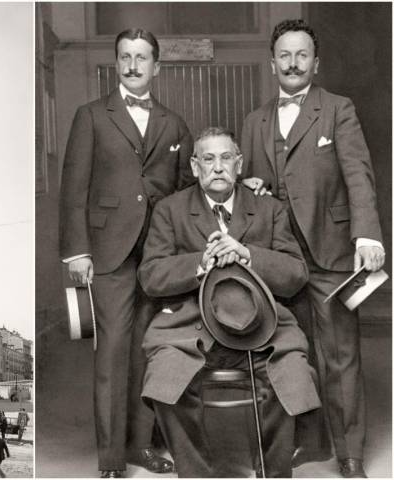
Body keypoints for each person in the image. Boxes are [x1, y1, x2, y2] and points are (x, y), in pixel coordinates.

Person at [240, 20, 385, 478]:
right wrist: (252, 187)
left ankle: (351, 454)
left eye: (302, 55)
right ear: (272, 64)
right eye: (284, 55)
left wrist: (368, 235)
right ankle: (309, 443)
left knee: (340, 357)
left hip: (331, 252)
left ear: (315, 63)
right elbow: (248, 190)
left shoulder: (338, 109)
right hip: (279, 257)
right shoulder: (254, 120)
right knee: (289, 353)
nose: (293, 63)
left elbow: (359, 173)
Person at [137, 127, 321, 477]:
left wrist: (247, 254)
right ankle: (197, 472)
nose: (218, 167)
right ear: (194, 166)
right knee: (165, 379)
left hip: (263, 326)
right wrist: (200, 263)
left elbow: (296, 273)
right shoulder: (170, 210)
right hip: (190, 326)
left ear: (239, 164)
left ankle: (272, 471)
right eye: (208, 158)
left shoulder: (269, 209)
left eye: (226, 158)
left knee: (293, 375)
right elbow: (150, 276)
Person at [59, 27, 196, 478]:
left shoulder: (174, 124)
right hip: (108, 255)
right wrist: (77, 252)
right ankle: (112, 459)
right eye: (125, 57)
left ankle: (141, 447)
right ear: (116, 63)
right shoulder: (92, 115)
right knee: (113, 353)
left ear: (156, 65)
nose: (133, 65)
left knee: (150, 352)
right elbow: (73, 190)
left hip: (159, 255)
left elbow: (184, 192)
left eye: (142, 57)